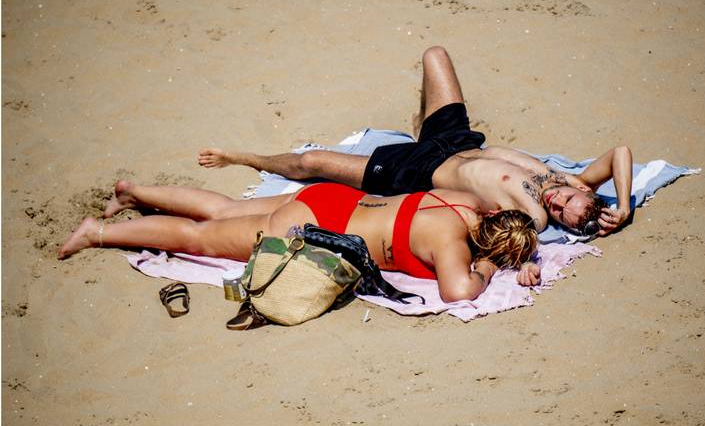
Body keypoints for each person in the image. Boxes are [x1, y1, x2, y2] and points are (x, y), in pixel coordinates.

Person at [198, 46, 633, 237]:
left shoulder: (534, 217)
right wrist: (626, 205)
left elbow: (497, 238)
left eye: (563, 217)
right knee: (435, 56)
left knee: (312, 160)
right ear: (584, 195)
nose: (557, 205)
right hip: (456, 139)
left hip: (418, 169)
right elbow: (621, 153)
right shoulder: (575, 180)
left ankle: (245, 158)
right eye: (565, 204)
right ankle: (423, 120)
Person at [58, 180, 541, 302]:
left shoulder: (462, 200)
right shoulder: (454, 247)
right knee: (200, 238)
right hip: (311, 229)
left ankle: (132, 192)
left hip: (333, 200)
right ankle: (98, 233)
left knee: (225, 208)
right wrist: (491, 268)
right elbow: (460, 291)